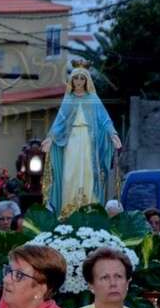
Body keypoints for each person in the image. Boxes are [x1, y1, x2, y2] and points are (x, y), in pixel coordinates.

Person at [42, 62, 122, 217]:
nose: (78, 81)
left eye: (82, 78)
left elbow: (104, 120)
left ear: (87, 81)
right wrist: (50, 138)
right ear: (71, 81)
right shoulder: (68, 99)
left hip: (88, 142)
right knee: (69, 173)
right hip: (71, 141)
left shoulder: (93, 99)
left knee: (88, 173)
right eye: (76, 78)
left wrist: (113, 134)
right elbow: (60, 121)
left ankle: (89, 210)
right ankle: (67, 211)